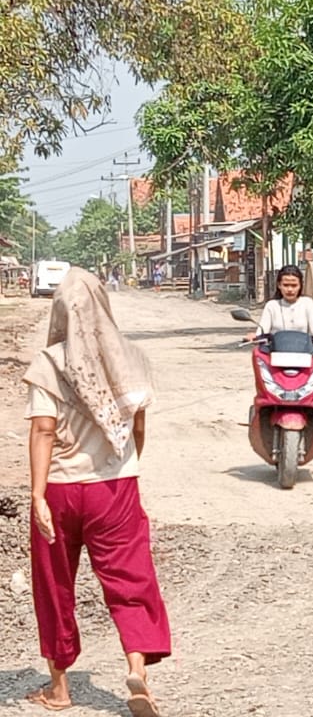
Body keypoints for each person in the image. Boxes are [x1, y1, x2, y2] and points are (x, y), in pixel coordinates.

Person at [22, 267, 169, 716]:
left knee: (54, 585)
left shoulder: (50, 362)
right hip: (116, 488)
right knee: (131, 580)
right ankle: (137, 670)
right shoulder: (132, 357)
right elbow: (137, 428)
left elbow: (44, 431)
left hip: (63, 489)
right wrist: (123, 463)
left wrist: (37, 494)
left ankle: (60, 688)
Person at [245, 265, 313, 344]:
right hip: (276, 353)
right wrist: (255, 336)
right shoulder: (271, 306)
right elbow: (262, 330)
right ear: (279, 285)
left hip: (303, 353)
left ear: (300, 286)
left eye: (294, 285)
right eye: (286, 285)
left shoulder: (307, 303)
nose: (290, 289)